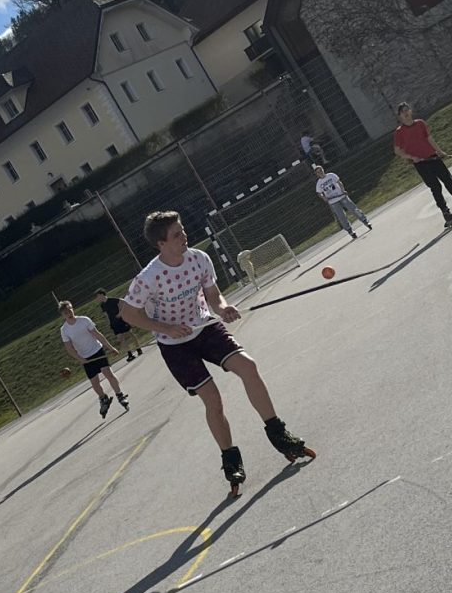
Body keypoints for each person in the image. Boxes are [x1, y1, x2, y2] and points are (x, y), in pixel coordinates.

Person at [119, 210, 314, 495]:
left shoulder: (199, 258)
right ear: (161, 244)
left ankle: (278, 433)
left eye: (183, 230)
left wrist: (223, 308)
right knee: (212, 399)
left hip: (205, 327)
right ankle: (231, 460)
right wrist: (165, 328)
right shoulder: (148, 278)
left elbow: (213, 295)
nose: (184, 236)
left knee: (248, 366)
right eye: (177, 235)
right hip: (175, 345)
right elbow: (128, 314)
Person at [392, 100, 452, 229]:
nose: (406, 113)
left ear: (411, 111)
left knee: (449, 180)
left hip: (433, 158)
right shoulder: (399, 132)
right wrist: (412, 157)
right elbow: (397, 150)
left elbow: (429, 138)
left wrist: (439, 151)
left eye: (407, 110)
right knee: (435, 187)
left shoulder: (420, 123)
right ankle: (446, 212)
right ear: (399, 116)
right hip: (421, 163)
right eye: (402, 112)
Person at [58, 300, 129, 418]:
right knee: (95, 383)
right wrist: (80, 359)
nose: (69, 313)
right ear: (62, 315)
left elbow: (97, 334)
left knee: (108, 374)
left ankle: (120, 395)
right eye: (66, 312)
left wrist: (110, 348)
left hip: (97, 350)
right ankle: (103, 398)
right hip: (85, 357)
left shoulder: (84, 320)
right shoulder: (64, 330)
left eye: (70, 309)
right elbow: (69, 348)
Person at [312, 163, 371, 239]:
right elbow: (319, 193)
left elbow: (339, 182)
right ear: (317, 174)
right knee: (341, 216)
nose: (320, 172)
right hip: (333, 201)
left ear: (323, 170)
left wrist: (343, 190)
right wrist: (324, 198)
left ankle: (365, 221)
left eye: (321, 170)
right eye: (318, 172)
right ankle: (350, 231)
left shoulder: (331, 175)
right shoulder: (319, 183)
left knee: (353, 209)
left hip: (342, 196)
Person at [98, 289, 143, 361]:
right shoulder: (102, 305)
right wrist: (109, 323)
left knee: (130, 334)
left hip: (121, 320)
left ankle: (138, 349)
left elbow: (124, 302)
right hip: (114, 323)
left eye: (98, 296)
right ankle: (130, 354)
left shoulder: (112, 300)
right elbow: (106, 315)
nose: (97, 298)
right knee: (120, 338)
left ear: (102, 295)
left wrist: (120, 313)